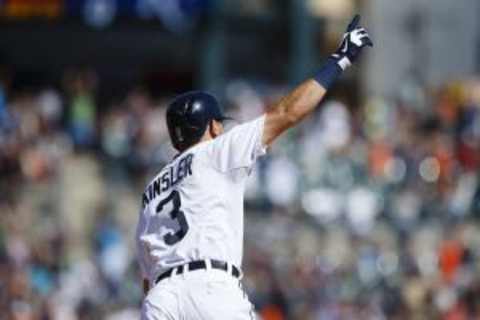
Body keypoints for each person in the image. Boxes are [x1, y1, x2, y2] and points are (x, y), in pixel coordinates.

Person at [135, 15, 372, 320]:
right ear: (212, 127)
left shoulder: (151, 191)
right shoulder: (216, 151)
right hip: (210, 289)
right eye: (220, 123)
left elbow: (146, 277)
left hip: (160, 299)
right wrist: (340, 59)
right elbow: (287, 112)